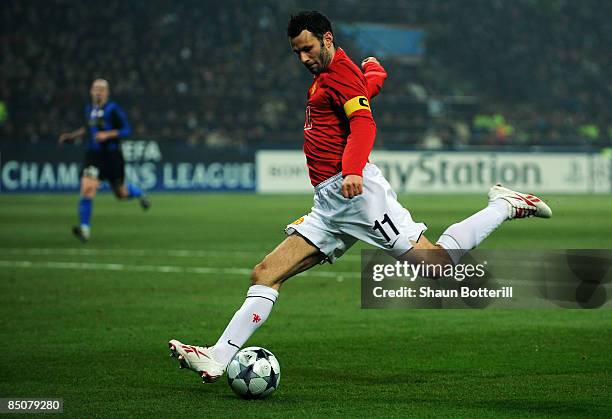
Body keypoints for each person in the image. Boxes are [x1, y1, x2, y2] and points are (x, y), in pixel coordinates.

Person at [168, 11, 552, 382]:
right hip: (329, 205)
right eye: (297, 52)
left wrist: (352, 168)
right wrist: (373, 77)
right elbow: (355, 97)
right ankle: (218, 357)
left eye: (308, 49)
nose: (303, 58)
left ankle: (503, 204)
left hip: (359, 197)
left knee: (438, 268)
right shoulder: (333, 74)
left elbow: (363, 123)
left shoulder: (339, 72)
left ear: (327, 39)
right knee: (266, 273)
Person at [59, 79, 150, 242]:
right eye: (95, 89)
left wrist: (107, 135)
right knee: (87, 189)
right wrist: (71, 136)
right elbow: (87, 129)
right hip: (93, 156)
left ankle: (138, 192)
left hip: (112, 157)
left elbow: (126, 129)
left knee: (121, 194)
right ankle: (84, 229)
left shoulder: (113, 110)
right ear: (91, 92)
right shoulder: (89, 110)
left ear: (107, 93)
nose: (98, 92)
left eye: (101, 89)